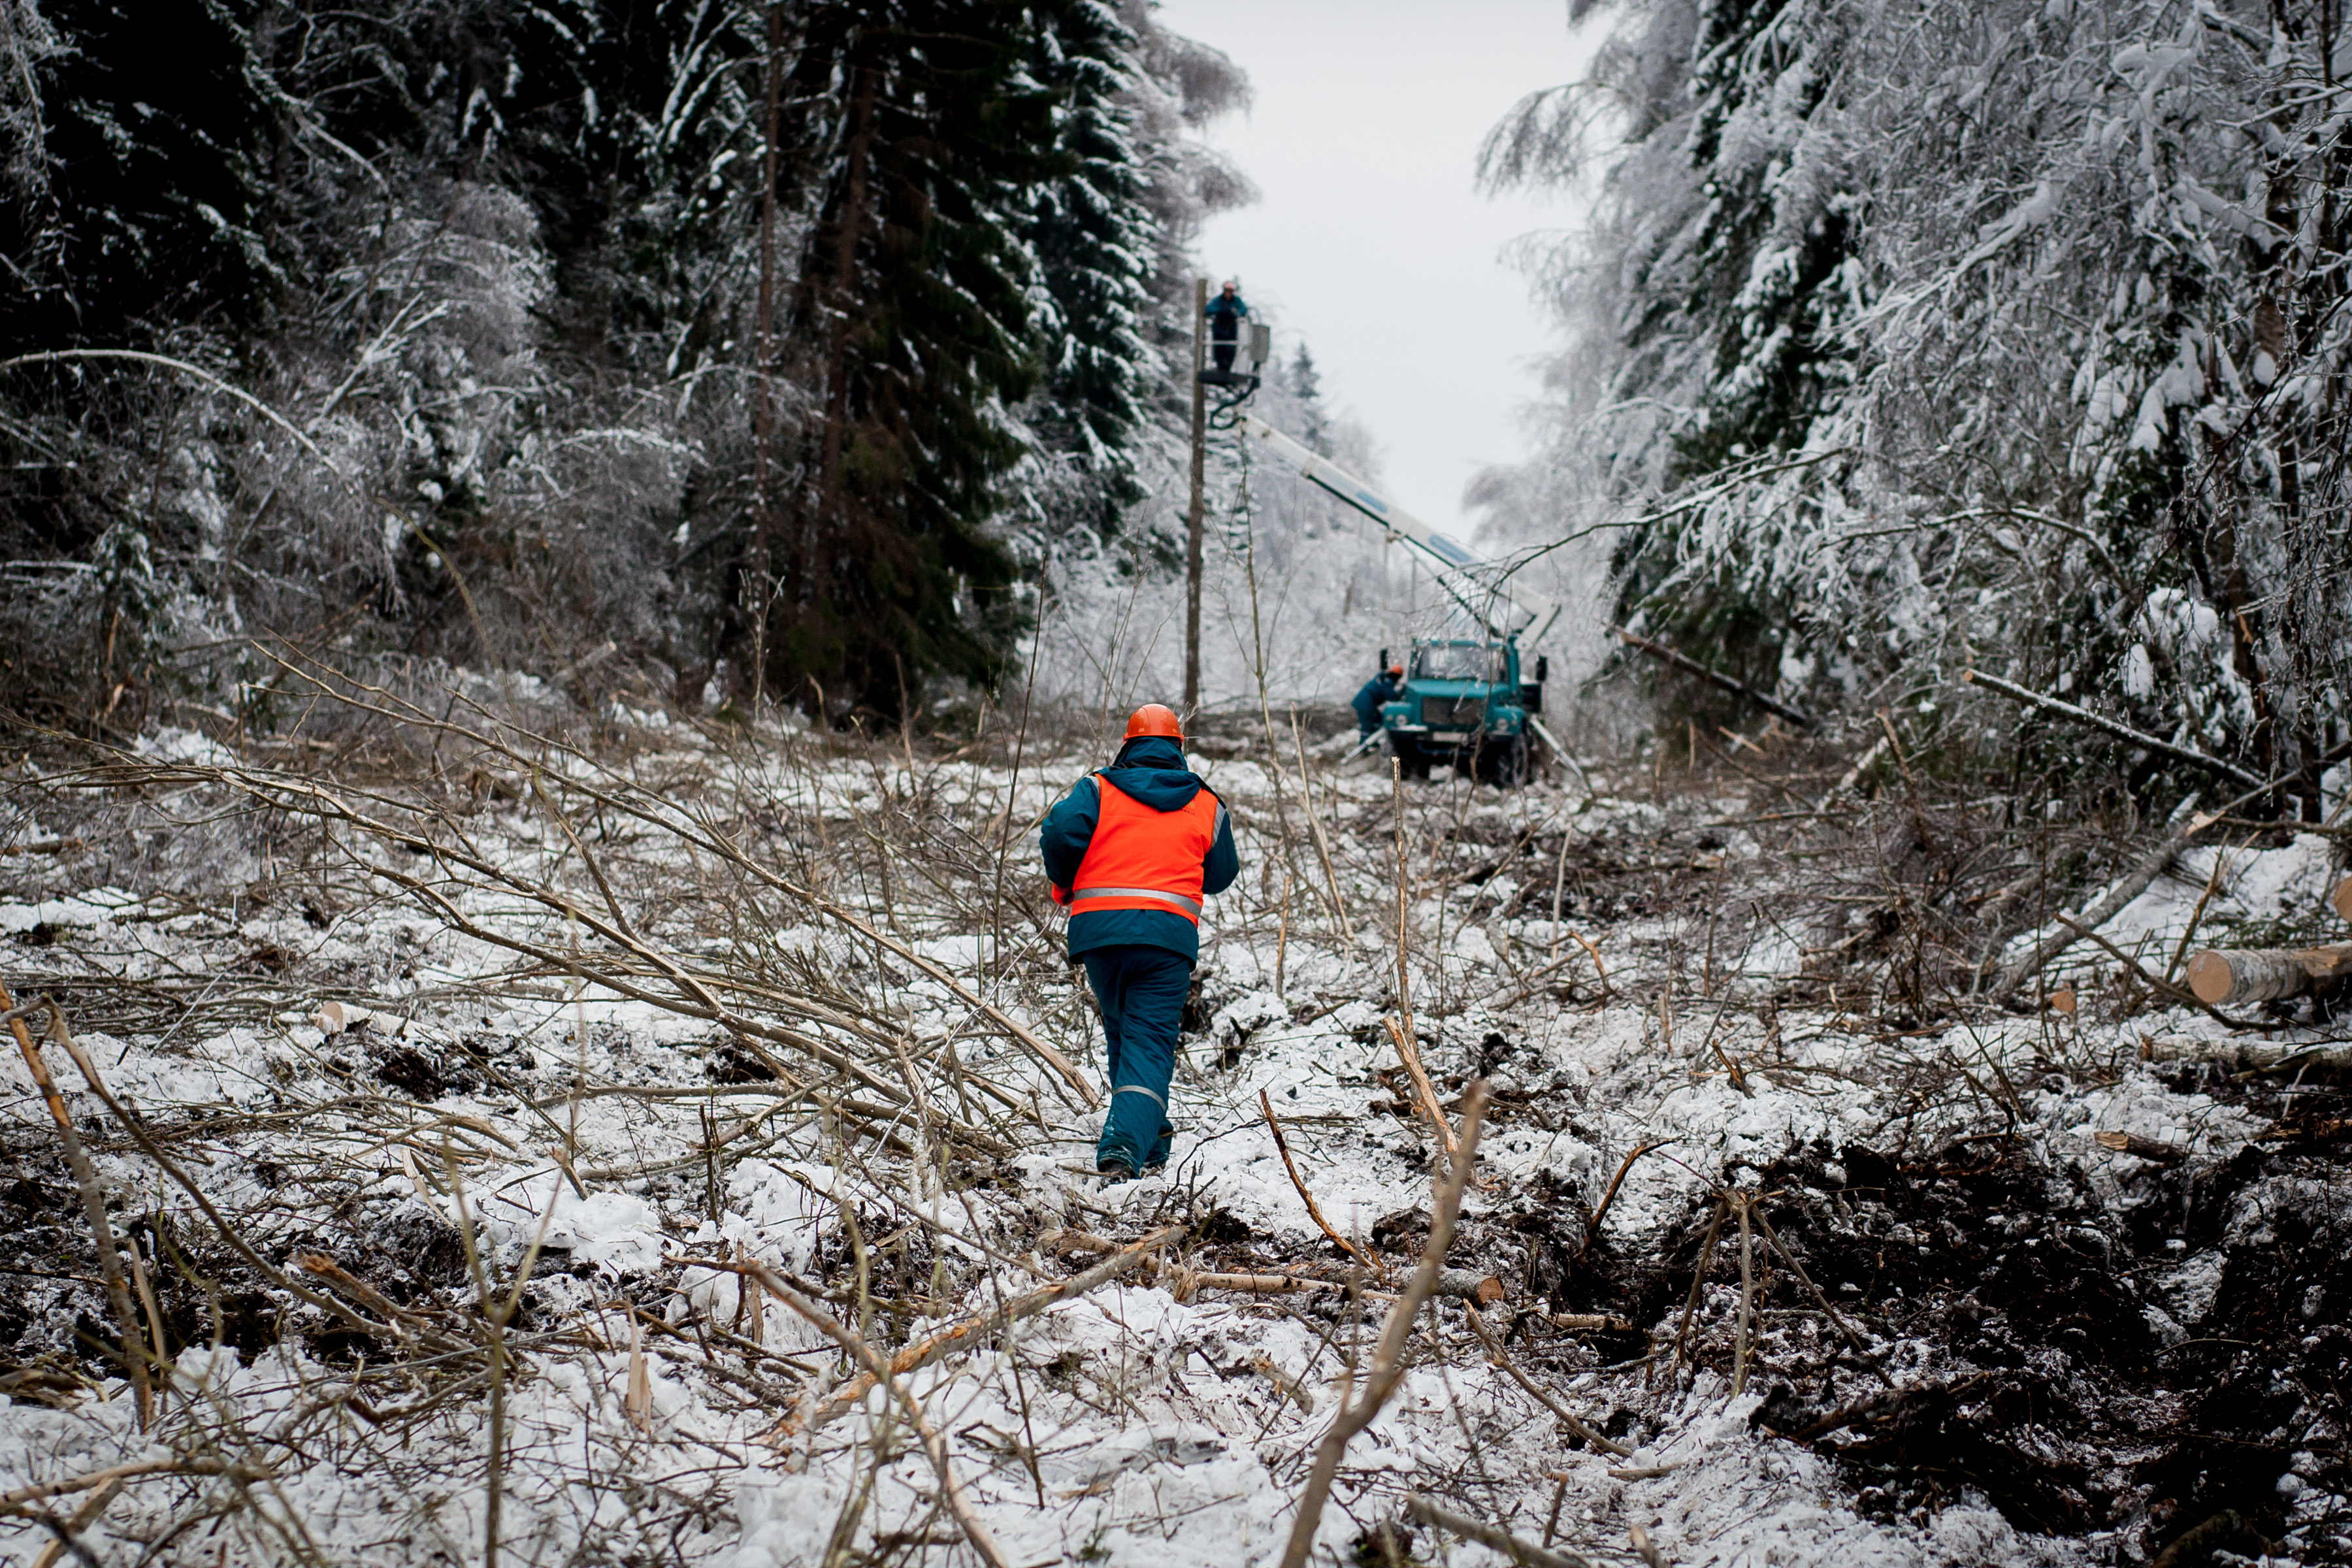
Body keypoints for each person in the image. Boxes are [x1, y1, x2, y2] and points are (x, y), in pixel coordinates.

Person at [1040, 704, 1239, 1181]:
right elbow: (1221, 874)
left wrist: (1065, 881)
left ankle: (1150, 1137)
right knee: (1148, 1042)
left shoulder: (1098, 788)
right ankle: (1125, 1145)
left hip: (1101, 937)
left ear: (1128, 744)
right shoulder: (1206, 804)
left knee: (1125, 1035)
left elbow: (1058, 833)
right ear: (1180, 748)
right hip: (1167, 941)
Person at [1205, 280, 1249, 374]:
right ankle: (1219, 366)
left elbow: (1243, 310)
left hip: (1231, 328)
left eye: (1230, 291)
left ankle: (1227, 367)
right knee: (1218, 347)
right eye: (1227, 291)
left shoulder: (1237, 301)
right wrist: (1220, 311)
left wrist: (1235, 313)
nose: (1228, 293)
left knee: (1231, 348)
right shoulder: (1218, 300)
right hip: (1219, 326)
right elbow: (1208, 309)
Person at [1353, 663, 1405, 740]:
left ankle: (1373, 740)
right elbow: (1391, 696)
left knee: (1379, 720)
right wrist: (1401, 694)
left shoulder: (1383, 678)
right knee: (1367, 725)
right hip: (1366, 703)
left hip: (1365, 702)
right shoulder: (1388, 681)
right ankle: (1364, 746)